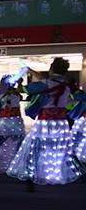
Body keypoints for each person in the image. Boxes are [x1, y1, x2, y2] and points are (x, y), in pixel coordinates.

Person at [6, 57, 84, 190]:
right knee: (65, 150)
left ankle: (30, 179)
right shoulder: (68, 85)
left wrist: (19, 83)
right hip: (61, 123)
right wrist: (30, 70)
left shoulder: (46, 83)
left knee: (34, 150)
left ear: (51, 69)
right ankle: (80, 174)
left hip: (45, 122)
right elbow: (47, 79)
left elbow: (24, 90)